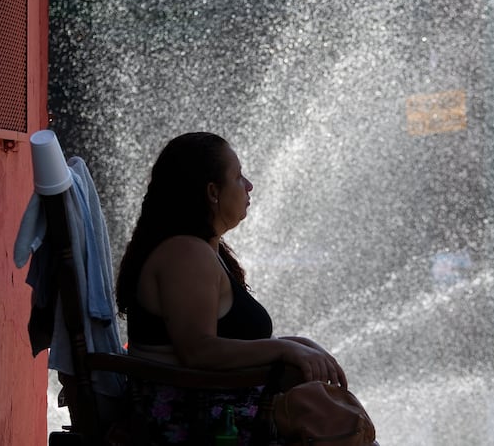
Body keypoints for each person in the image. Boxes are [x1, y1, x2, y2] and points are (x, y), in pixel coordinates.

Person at [115, 132, 347, 445]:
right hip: (195, 422)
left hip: (215, 407)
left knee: (341, 422)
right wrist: (283, 349)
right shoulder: (185, 254)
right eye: (238, 177)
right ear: (212, 192)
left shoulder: (204, 250)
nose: (248, 186)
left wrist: (298, 343)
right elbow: (198, 350)